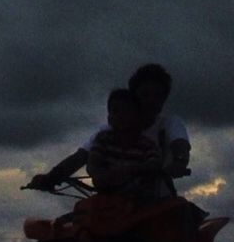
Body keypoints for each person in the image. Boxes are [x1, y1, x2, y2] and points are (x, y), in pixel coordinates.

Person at [30, 63, 190, 193]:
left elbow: (180, 146)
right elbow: (81, 157)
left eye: (158, 96)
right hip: (113, 202)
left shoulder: (169, 124)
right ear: (133, 98)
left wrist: (179, 163)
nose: (152, 101)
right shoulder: (108, 132)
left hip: (156, 203)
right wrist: (51, 177)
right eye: (145, 95)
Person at [87, 88, 163, 197]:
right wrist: (99, 175)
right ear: (109, 118)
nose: (121, 116)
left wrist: (129, 170)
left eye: (126, 111)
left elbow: (154, 165)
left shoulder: (147, 145)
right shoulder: (103, 139)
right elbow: (92, 164)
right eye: (115, 111)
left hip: (140, 204)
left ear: (137, 117)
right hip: (106, 200)